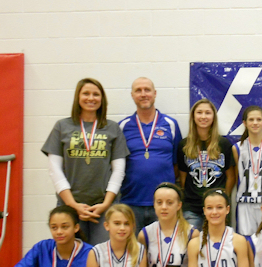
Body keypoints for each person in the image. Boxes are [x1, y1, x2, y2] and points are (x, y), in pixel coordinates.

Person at [42, 78, 129, 245]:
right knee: (73, 256)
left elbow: (118, 170)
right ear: (78, 97)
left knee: (103, 256)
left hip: (104, 205)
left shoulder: (112, 128)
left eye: (96, 94)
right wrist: (72, 204)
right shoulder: (62, 126)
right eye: (86, 93)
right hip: (70, 204)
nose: (91, 98)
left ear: (102, 99)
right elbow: (55, 169)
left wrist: (105, 204)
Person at [119, 77, 183, 233]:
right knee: (133, 252)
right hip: (131, 201)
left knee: (163, 252)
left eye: (147, 90)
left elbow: (177, 164)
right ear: (132, 95)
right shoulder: (123, 126)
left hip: (164, 204)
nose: (143, 94)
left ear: (154, 94)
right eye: (138, 90)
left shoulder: (170, 124)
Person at [178, 99, 236, 231]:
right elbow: (183, 177)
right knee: (191, 243)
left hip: (217, 206)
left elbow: (231, 176)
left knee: (218, 245)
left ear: (213, 117)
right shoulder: (184, 145)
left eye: (207, 113)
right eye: (199, 112)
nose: (203, 116)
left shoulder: (224, 144)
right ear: (193, 116)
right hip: (191, 207)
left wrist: (222, 197)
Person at [233, 106, 262, 236]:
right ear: (245, 123)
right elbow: (235, 178)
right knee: (246, 242)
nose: (255, 123)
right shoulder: (237, 148)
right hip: (245, 203)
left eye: (259, 119)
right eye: (251, 119)